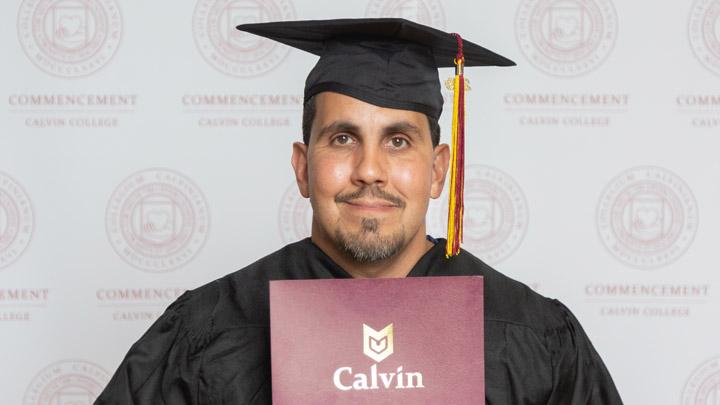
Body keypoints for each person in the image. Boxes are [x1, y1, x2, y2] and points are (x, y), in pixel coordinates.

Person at [95, 18, 623, 404]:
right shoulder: (209, 331)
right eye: (343, 137)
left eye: (398, 141)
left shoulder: (533, 336)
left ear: (439, 170)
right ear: (302, 167)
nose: (369, 169)